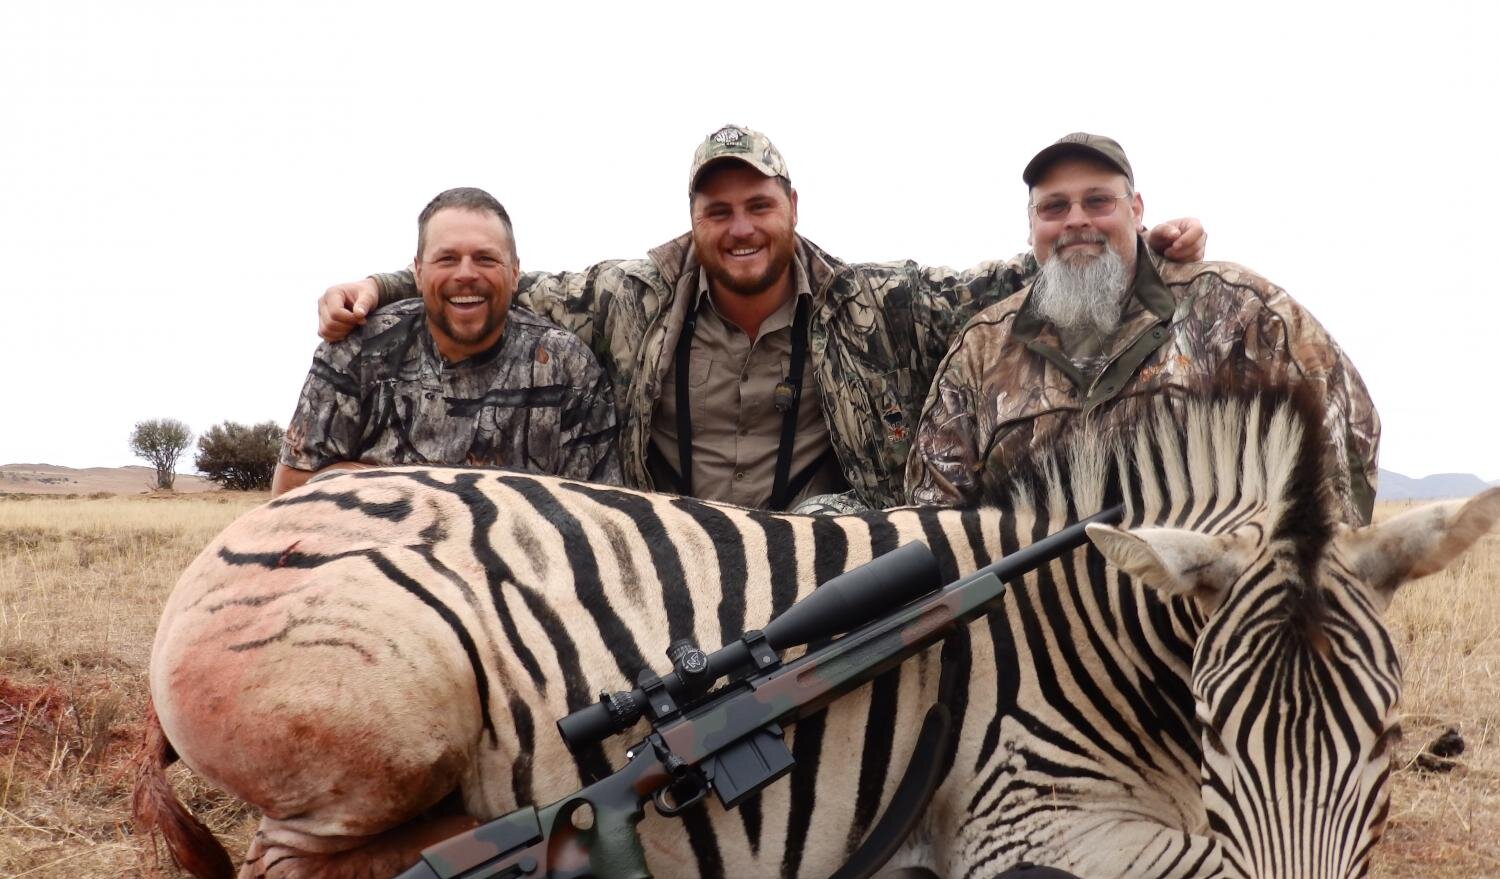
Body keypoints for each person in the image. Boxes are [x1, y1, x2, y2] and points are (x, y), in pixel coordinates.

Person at [316, 127, 1206, 511]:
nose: (740, 227)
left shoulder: (873, 302)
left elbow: (1004, 276)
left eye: (758, 205)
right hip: (668, 543)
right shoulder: (629, 294)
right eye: (718, 210)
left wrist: (1139, 248)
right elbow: (498, 281)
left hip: (813, 549)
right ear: (694, 220)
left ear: (792, 205)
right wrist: (382, 284)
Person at [906, 133, 1379, 523]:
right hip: (1035, 624)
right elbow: (934, 512)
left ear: (1135, 211)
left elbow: (1342, 429)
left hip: (1199, 617)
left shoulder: (1240, 310)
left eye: (1097, 201)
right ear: (1031, 227)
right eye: (1053, 207)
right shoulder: (982, 348)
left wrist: (1299, 582)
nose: (1076, 220)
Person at [275, 188, 620, 497]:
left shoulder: (567, 365)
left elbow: (597, 513)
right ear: (418, 272)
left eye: (485, 258)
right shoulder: (356, 348)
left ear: (515, 273)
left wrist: (360, 483)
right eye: (447, 259)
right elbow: (289, 493)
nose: (466, 274)